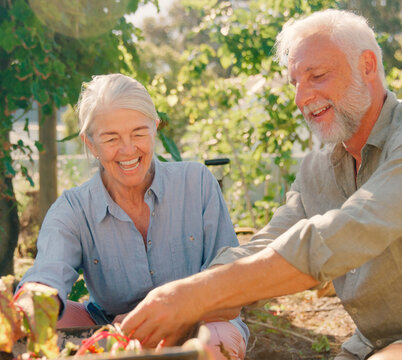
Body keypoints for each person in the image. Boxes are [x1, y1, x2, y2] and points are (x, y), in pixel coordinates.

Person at [120, 9, 402, 360]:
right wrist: (166, 307)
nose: (302, 97)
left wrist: (193, 297)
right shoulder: (318, 169)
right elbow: (265, 244)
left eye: (317, 76)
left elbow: (346, 232)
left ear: (368, 66)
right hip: (372, 346)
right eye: (294, 82)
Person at [16, 73, 249, 359]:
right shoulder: (73, 209)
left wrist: (165, 316)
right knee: (43, 329)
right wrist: (29, 304)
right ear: (91, 144)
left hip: (198, 322)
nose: (128, 150)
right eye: (111, 138)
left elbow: (229, 285)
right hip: (112, 329)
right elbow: (47, 274)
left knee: (216, 342)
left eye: (139, 133)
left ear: (155, 128)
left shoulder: (197, 183)